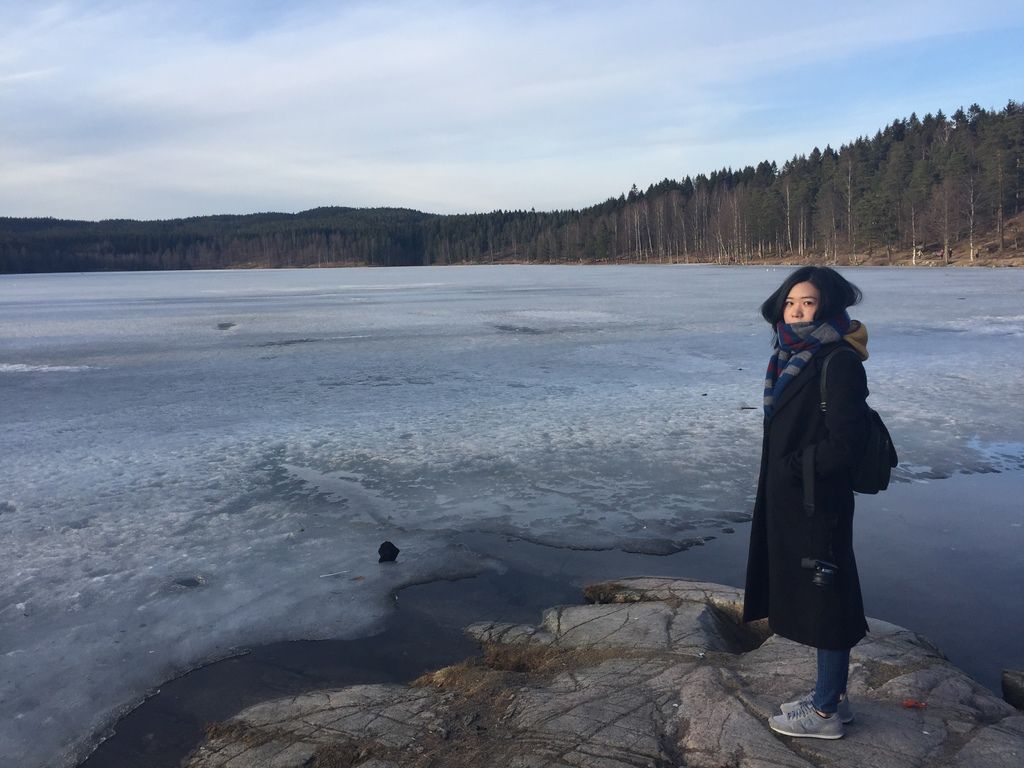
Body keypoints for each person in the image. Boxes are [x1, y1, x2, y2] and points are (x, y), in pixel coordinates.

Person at [742, 266, 871, 740]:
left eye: (808, 303)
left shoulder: (838, 361)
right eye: (791, 302)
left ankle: (823, 713)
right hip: (797, 498)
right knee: (819, 594)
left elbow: (847, 444)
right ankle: (832, 696)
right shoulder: (790, 354)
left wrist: (794, 467)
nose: (796, 311)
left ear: (828, 305)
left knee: (827, 598)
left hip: (819, 500)